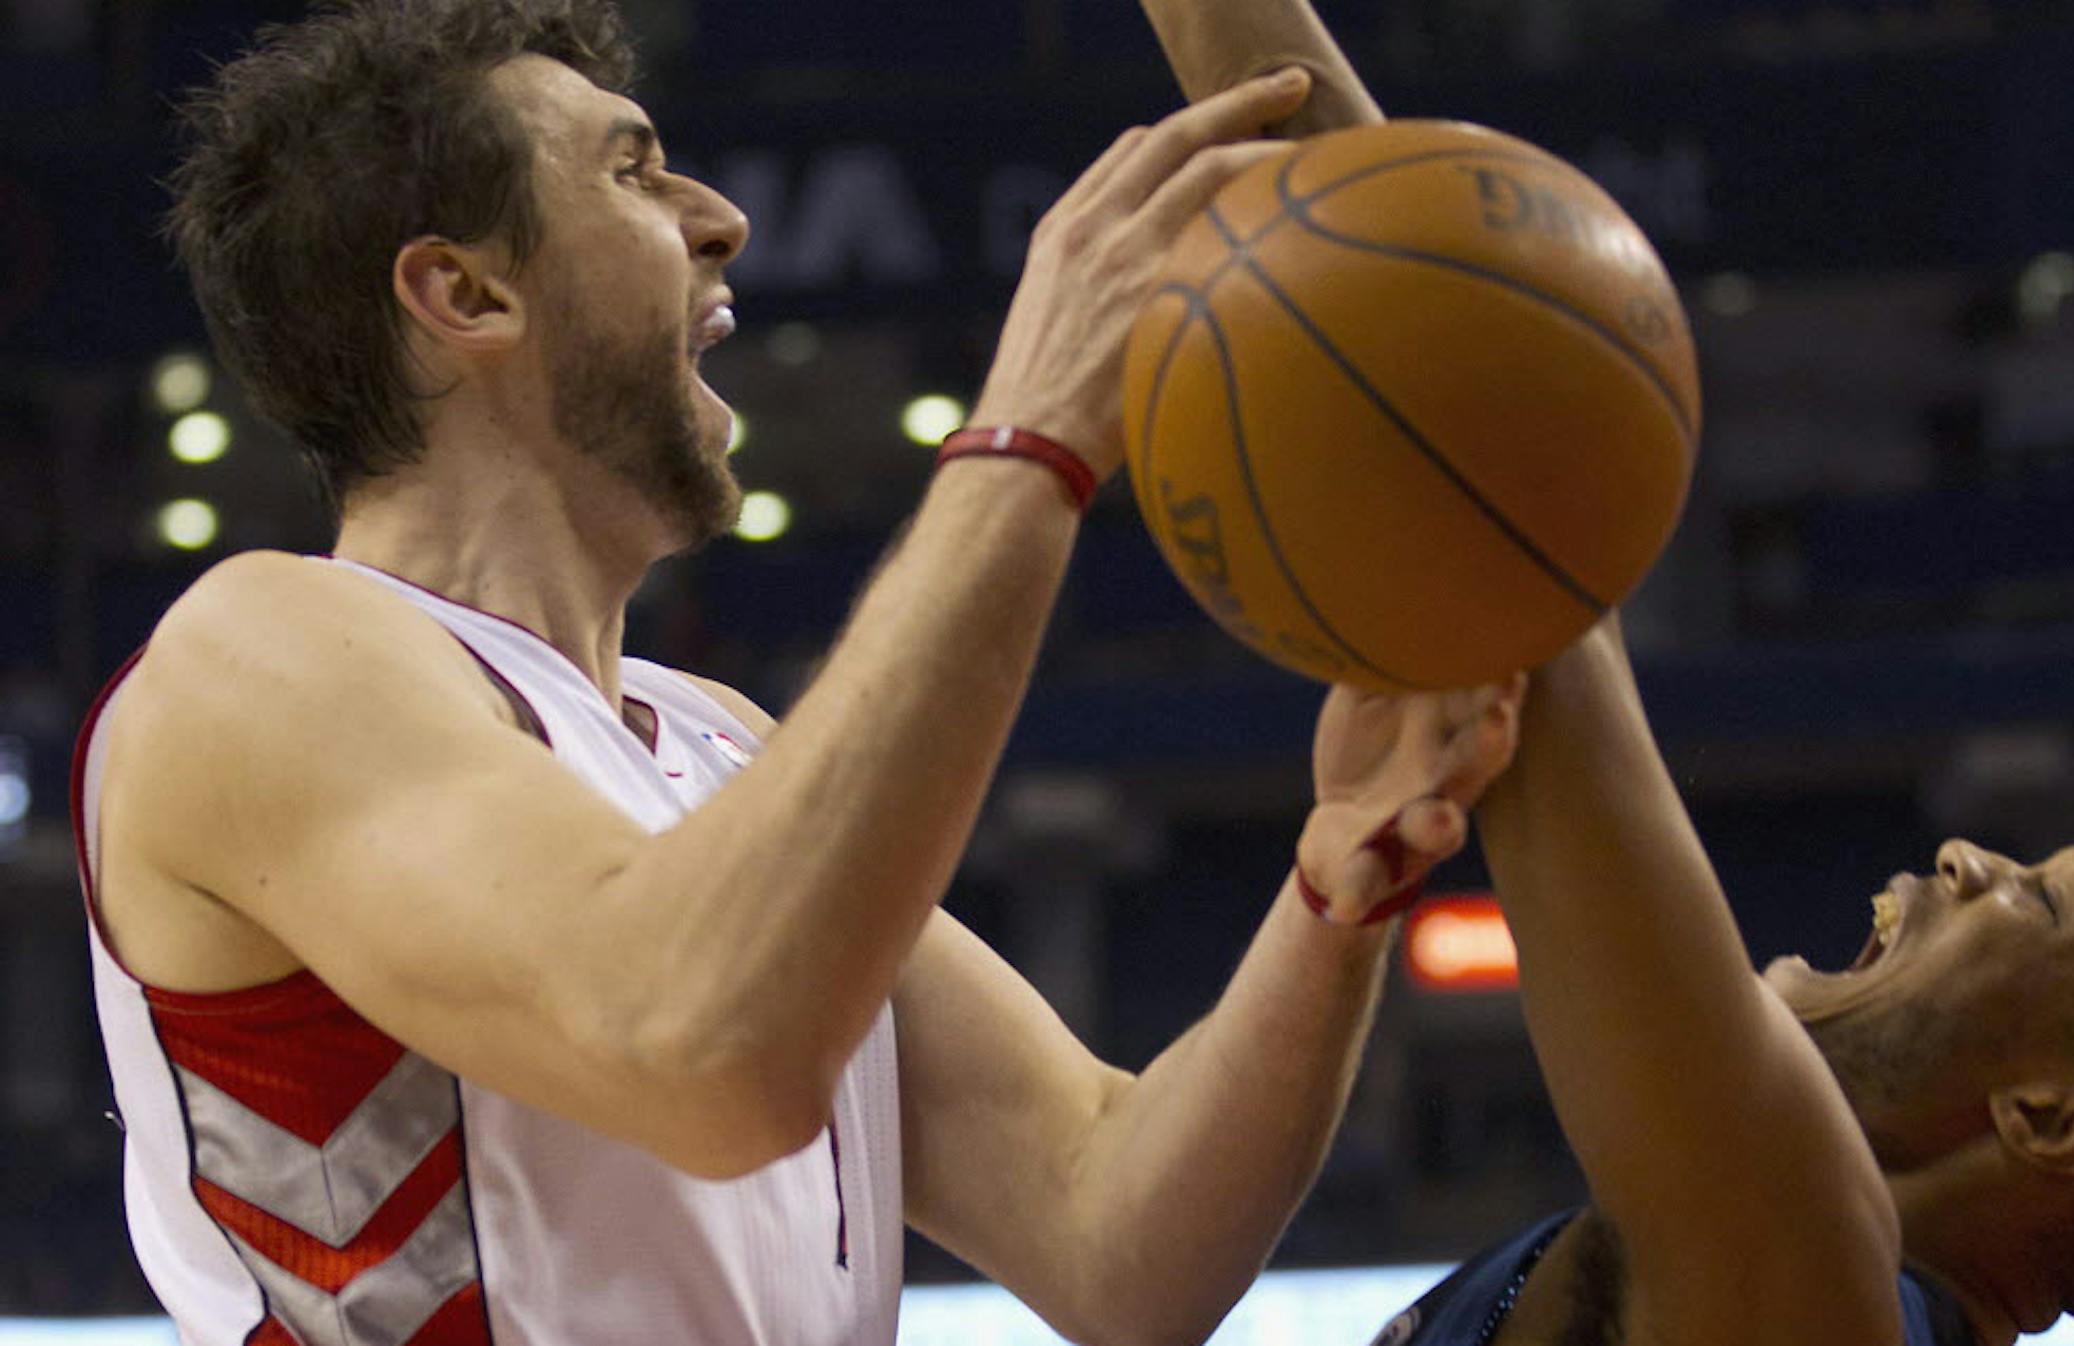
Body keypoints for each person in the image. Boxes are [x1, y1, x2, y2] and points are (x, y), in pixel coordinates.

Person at [72, 1, 1526, 1342]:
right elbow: (704, 1050)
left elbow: (1116, 1236)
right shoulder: (255, 658)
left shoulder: (719, 742)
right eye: (634, 174)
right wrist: (1031, 434)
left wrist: (1336, 889)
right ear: (464, 291)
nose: (722, 218)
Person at [1141, 4, 2074, 1343]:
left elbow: (1497, 488)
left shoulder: (1815, 1294)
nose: (1970, 856)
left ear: (2051, 1120)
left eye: (2039, 900)